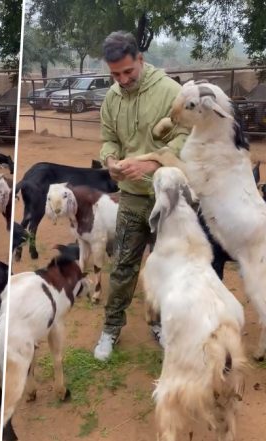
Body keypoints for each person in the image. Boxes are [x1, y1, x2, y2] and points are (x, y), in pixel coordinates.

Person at [93, 31, 189, 361]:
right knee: (122, 267)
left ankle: (161, 323)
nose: (122, 80)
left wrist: (150, 162)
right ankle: (110, 329)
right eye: (115, 74)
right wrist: (111, 162)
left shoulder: (171, 93)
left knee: (168, 268)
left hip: (169, 197)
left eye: (128, 72)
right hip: (132, 197)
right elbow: (108, 139)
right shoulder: (111, 99)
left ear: (140, 60)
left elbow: (186, 138)